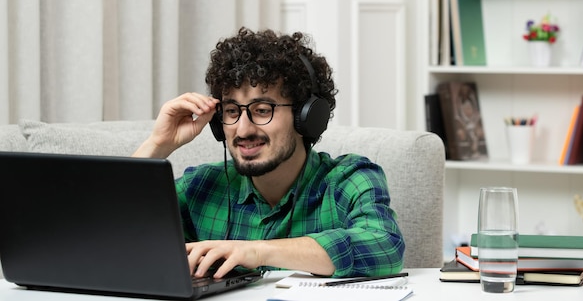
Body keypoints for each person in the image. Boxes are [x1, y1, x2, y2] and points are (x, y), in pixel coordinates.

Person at [133, 27, 404, 279]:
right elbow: (104, 234)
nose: (243, 129)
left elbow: (385, 246)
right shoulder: (201, 187)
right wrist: (157, 144)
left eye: (262, 110)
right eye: (231, 111)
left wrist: (256, 251)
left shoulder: (350, 180)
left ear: (305, 118)